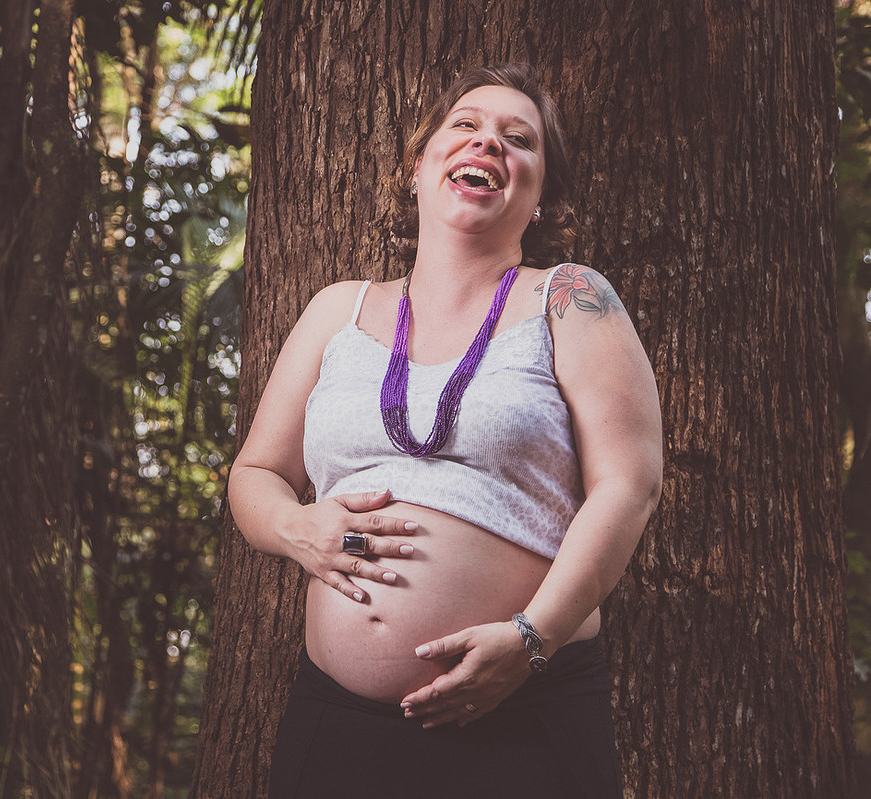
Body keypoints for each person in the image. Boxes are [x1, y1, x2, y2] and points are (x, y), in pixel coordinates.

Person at [228, 63, 662, 798]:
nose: (489, 143)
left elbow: (630, 482)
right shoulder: (338, 309)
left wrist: (530, 641)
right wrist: (298, 528)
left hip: (525, 713)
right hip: (338, 725)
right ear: (419, 166)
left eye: (517, 138)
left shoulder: (571, 298)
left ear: (539, 196)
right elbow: (254, 474)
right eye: (467, 125)